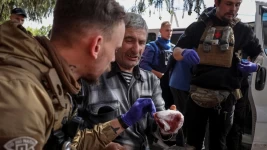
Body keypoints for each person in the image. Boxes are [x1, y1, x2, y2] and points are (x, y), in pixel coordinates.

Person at [0, 0, 157, 150]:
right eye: (115, 49)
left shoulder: (54, 82)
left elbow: (68, 143)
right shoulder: (24, 99)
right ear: (96, 46)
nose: (113, 59)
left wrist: (123, 122)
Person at [79, 13, 182, 150]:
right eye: (129, 40)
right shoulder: (90, 80)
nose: (136, 49)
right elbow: (72, 137)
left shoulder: (151, 81)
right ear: (116, 40)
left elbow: (156, 130)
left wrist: (167, 126)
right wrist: (103, 146)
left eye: (141, 42)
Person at [172, 0, 262, 149]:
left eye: (237, 5)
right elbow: (176, 51)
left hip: (226, 98)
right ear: (217, 2)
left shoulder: (243, 30)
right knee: (191, 142)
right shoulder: (198, 27)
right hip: (197, 96)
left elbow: (258, 53)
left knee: (218, 144)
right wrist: (183, 52)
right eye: (229, 3)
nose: (233, 9)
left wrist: (255, 66)